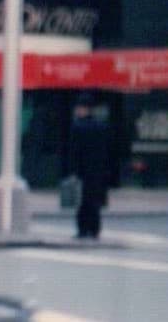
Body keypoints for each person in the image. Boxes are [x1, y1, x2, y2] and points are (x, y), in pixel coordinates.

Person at [68, 93, 111, 240]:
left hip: (83, 171)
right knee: (94, 202)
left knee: (82, 202)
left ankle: (83, 229)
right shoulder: (101, 127)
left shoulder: (78, 127)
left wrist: (73, 170)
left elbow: (74, 151)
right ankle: (94, 229)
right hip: (98, 170)